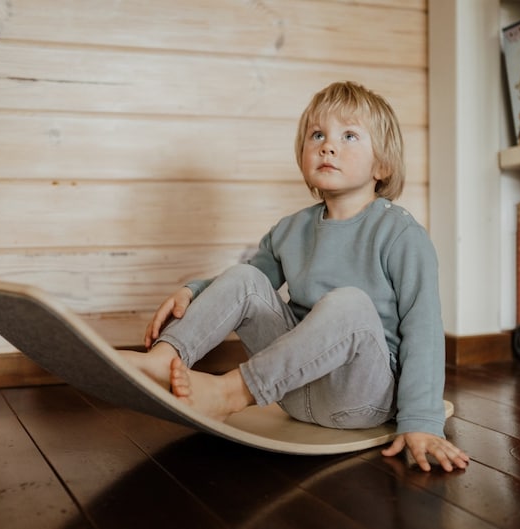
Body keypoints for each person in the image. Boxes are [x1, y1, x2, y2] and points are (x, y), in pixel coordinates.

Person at [122, 81, 469, 472]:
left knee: (349, 302)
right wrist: (193, 290)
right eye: (317, 135)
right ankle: (161, 360)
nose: (328, 145)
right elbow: (244, 287)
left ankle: (231, 392)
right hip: (292, 388)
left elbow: (423, 329)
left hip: (362, 396)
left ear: (382, 165)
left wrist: (422, 422)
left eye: (349, 135)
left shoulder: (400, 234)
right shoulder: (291, 230)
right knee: (245, 276)